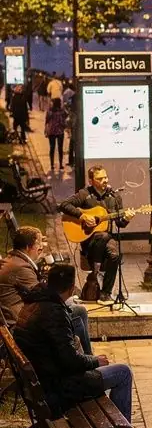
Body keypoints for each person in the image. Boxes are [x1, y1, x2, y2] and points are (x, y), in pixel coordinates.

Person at [15, 263, 152, 428]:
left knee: (78, 319)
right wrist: (94, 361)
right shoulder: (52, 311)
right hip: (58, 388)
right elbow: (70, 362)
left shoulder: (35, 301)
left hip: (43, 382)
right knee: (123, 373)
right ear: (71, 288)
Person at [0, 226, 92, 352]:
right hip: (20, 325)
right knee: (77, 313)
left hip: (20, 316)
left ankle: (84, 357)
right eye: (39, 242)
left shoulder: (13, 261)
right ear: (28, 247)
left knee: (74, 309)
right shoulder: (21, 267)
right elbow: (44, 296)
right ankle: (83, 360)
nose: (42, 247)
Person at [60, 167, 129, 305]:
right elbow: (64, 205)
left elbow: (120, 223)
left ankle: (106, 293)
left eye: (105, 177)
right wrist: (82, 216)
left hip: (106, 239)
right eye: (100, 178)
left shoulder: (114, 197)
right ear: (91, 181)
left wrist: (127, 218)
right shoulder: (84, 194)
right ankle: (96, 271)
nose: (105, 180)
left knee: (114, 255)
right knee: (102, 236)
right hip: (88, 241)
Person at [44, 97, 66, 173]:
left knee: (52, 148)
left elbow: (46, 121)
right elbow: (65, 118)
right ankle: (60, 164)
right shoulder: (62, 111)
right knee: (60, 148)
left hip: (52, 131)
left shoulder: (50, 111)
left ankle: (52, 164)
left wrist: (45, 130)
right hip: (60, 131)